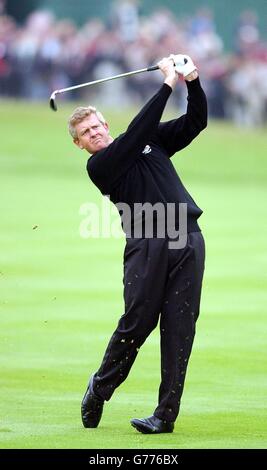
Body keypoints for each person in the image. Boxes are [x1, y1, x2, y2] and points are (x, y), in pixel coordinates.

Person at [68, 54, 207, 434]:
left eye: (97, 126)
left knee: (180, 328)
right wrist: (167, 83)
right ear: (80, 145)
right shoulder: (101, 165)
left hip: (188, 240)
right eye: (87, 133)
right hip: (147, 246)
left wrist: (191, 80)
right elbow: (137, 132)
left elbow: (196, 122)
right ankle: (100, 387)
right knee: (136, 325)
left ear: (105, 124)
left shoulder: (151, 141)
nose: (95, 133)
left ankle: (164, 416)